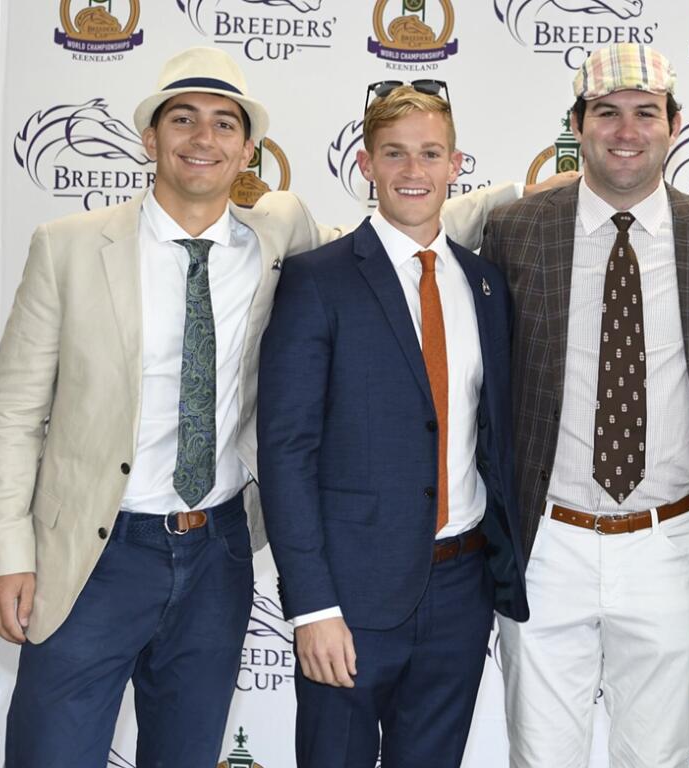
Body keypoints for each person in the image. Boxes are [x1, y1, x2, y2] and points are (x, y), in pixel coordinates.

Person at [0, 46, 535, 767]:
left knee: (185, 752)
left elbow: (397, 236)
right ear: (151, 138)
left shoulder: (279, 235)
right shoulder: (70, 246)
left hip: (218, 551)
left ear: (248, 150)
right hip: (92, 558)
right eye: (184, 120)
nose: (203, 140)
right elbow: (14, 412)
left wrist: (525, 190)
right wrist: (5, 554)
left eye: (223, 125)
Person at [482, 43, 689, 767]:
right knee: (540, 755)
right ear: (577, 124)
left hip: (668, 540)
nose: (626, 131)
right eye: (606, 113)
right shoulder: (515, 230)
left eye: (646, 113)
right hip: (549, 540)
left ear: (675, 124)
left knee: (656, 755)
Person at [256, 82, 527, 767]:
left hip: (461, 591)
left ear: (456, 164)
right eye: (395, 154)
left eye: (430, 153)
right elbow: (286, 451)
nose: (414, 170)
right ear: (366, 165)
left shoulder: (485, 284)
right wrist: (312, 608)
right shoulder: (317, 280)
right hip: (348, 598)